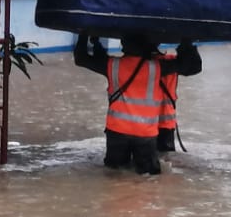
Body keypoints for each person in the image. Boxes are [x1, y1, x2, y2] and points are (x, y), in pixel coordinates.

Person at [74, 32, 202, 174]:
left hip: (117, 131)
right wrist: (186, 42)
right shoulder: (157, 67)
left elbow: (82, 59)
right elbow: (189, 66)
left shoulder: (113, 65)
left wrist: (84, 35)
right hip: (145, 133)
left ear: (124, 46)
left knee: (114, 173)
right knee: (148, 177)